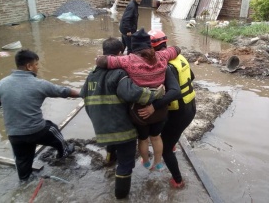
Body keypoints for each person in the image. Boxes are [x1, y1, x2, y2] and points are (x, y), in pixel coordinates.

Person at [81, 37, 168, 199]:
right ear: (120, 54)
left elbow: (82, 93)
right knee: (125, 164)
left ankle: (109, 159)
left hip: (101, 125)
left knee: (112, 143)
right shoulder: (119, 73)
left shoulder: (92, 74)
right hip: (121, 127)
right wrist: (155, 94)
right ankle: (121, 196)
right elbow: (133, 94)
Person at [0, 49, 80, 182]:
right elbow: (63, 91)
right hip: (37, 131)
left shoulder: (1, 84)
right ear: (29, 66)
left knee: (23, 163)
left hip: (15, 135)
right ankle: (65, 151)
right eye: (36, 64)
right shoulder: (39, 84)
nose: (38, 67)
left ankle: (25, 182)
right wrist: (84, 93)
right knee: (53, 128)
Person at [96, 28, 181, 171]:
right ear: (149, 44)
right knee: (156, 137)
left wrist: (98, 59)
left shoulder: (128, 60)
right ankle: (158, 163)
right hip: (160, 109)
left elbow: (104, 61)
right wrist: (171, 51)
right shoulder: (162, 56)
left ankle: (146, 162)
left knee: (143, 138)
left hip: (139, 110)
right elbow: (176, 49)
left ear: (133, 46)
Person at [147, 29, 197, 188]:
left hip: (179, 112)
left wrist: (153, 106)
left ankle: (178, 180)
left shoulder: (165, 65)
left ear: (151, 48)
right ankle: (173, 142)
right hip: (191, 107)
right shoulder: (179, 57)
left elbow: (174, 94)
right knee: (171, 134)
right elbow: (192, 77)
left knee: (165, 149)